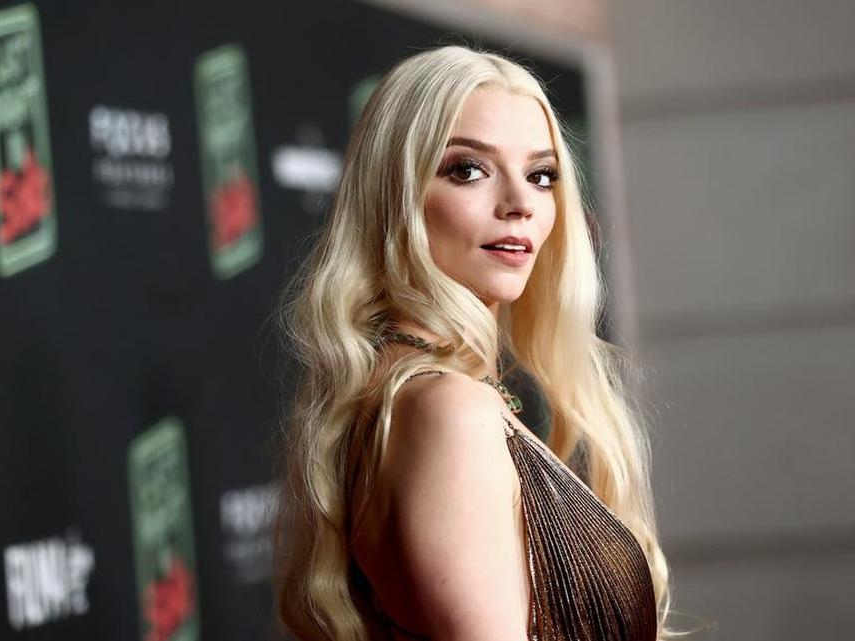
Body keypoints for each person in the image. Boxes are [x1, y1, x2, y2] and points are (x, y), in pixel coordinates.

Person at [272, 45, 673, 640]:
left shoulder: (430, 396)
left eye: (542, 176)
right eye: (469, 169)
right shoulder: (447, 409)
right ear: (397, 193)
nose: (519, 205)